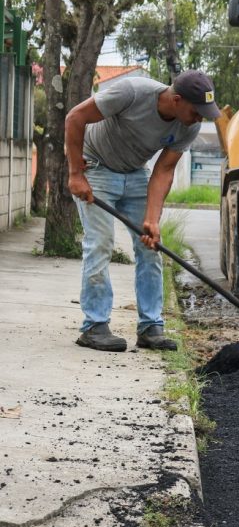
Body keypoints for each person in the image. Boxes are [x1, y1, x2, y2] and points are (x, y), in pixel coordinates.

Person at [66, 70, 220, 352]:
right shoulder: (132, 92)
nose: (201, 118)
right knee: (101, 244)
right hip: (96, 168)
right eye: (197, 111)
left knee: (151, 246)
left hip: (135, 173)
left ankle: (151, 327)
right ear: (175, 99)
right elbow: (75, 117)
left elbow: (163, 170)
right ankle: (94, 326)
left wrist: (152, 218)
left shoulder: (189, 126)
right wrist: (76, 173)